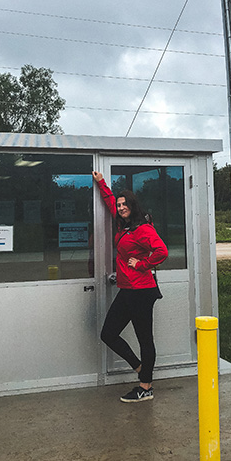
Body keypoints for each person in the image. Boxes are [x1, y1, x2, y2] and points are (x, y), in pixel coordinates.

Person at [92, 171, 168, 403]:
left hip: (142, 291)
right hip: (128, 290)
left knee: (145, 339)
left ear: (133, 206)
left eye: (125, 204)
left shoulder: (143, 228)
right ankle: (139, 367)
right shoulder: (124, 225)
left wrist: (143, 264)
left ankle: (145, 387)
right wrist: (102, 183)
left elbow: (162, 251)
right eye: (120, 204)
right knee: (109, 334)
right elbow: (109, 204)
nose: (121, 207)